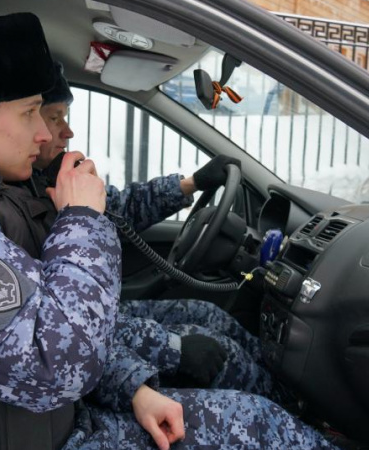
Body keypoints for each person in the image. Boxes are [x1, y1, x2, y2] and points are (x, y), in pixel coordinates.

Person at [0, 3, 337, 449]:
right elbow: (54, 362)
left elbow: (38, 331)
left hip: (44, 421)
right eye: (31, 111)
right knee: (256, 428)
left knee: (252, 416)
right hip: (41, 425)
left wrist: (133, 387)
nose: (45, 131)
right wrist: (82, 219)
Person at [33, 63, 276, 398]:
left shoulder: (37, 183)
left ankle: (282, 389)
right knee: (219, 353)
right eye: (55, 116)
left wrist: (191, 184)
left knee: (206, 314)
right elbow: (64, 331)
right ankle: (287, 404)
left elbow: (117, 210)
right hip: (86, 343)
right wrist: (174, 349)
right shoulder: (14, 201)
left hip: (99, 322)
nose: (67, 131)